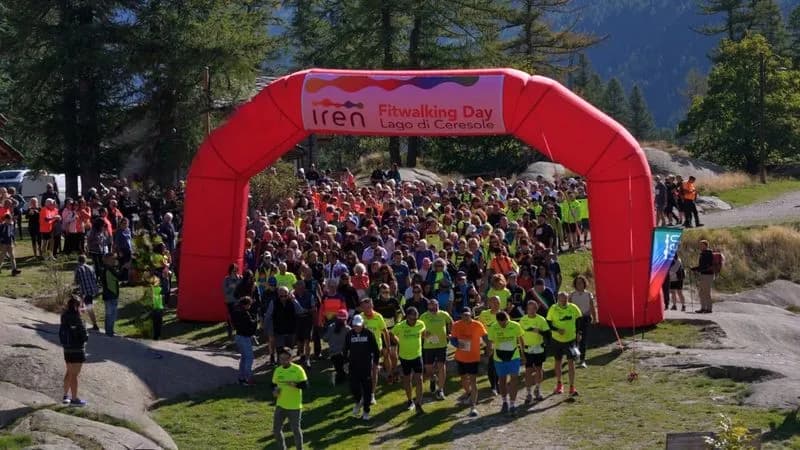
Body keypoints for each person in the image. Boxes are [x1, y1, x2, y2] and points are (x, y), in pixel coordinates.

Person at [450, 306, 487, 417]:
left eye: (468, 314)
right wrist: (458, 344)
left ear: (471, 314)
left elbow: (485, 336)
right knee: (463, 380)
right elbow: (453, 339)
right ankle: (469, 393)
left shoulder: (477, 325)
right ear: (461, 316)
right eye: (464, 315)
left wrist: (489, 347)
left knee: (473, 381)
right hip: (461, 357)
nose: (466, 317)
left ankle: (473, 407)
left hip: (473, 357)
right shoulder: (456, 325)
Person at [487, 310, 525, 415]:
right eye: (501, 323)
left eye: (505, 322)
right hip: (499, 358)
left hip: (513, 357)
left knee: (514, 379)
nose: (503, 324)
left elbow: (521, 339)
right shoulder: (493, 327)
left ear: (507, 319)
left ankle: (512, 404)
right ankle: (504, 401)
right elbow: (490, 341)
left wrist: (523, 354)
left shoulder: (515, 326)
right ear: (497, 321)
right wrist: (489, 351)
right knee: (502, 381)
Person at [344, 314, 381, 420]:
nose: (357, 327)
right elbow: (345, 349)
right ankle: (359, 400)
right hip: (353, 365)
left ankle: (366, 411)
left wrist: (376, 363)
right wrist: (345, 362)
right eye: (355, 326)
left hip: (366, 366)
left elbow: (376, 350)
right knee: (354, 386)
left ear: (363, 325)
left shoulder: (369, 334)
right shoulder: (349, 334)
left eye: (359, 325)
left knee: (367, 388)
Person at [546, 292, 583, 397]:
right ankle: (559, 384)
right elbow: (548, 324)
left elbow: (579, 320)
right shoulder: (553, 308)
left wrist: (579, 333)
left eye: (565, 300)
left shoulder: (573, 308)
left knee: (571, 362)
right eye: (561, 300)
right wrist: (557, 330)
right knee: (558, 361)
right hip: (557, 339)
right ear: (558, 299)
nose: (564, 302)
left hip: (570, 339)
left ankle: (572, 387)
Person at [392, 306, 427, 414]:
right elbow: (391, 333)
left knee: (419, 379)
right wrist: (398, 342)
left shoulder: (420, 324)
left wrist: (424, 338)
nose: (414, 321)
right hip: (404, 357)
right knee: (407, 380)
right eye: (412, 319)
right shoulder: (400, 326)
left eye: (416, 318)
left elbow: (424, 332)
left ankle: (419, 403)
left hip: (417, 356)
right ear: (406, 317)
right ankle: (409, 400)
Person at [271, 347, 308, 450]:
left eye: (285, 358)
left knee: (296, 430)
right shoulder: (278, 370)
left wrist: (295, 385)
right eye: (281, 358)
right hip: (280, 405)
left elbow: (305, 385)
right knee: (276, 430)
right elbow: (273, 385)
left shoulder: (298, 369)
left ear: (290, 358)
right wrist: (274, 392)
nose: (283, 361)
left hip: (294, 406)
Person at [419, 298, 453, 401]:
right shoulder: (424, 316)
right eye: (431, 305)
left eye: (435, 305)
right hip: (428, 346)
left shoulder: (443, 314)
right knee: (428, 369)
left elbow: (451, 322)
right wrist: (423, 335)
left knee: (441, 366)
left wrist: (450, 333)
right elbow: (419, 329)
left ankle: (440, 389)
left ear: (438, 306)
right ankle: (433, 378)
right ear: (428, 306)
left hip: (441, 345)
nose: (433, 307)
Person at [518, 300, 549, 404]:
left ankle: (537, 389)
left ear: (536, 309)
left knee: (539, 369)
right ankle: (528, 393)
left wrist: (539, 331)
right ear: (526, 309)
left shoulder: (541, 319)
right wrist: (522, 351)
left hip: (539, 348)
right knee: (528, 371)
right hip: (527, 349)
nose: (531, 311)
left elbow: (547, 334)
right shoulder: (522, 320)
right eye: (529, 308)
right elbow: (520, 337)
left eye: (533, 308)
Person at [59, 296, 88, 406]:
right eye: (81, 305)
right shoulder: (78, 318)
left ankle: (66, 396)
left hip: (67, 349)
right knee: (74, 375)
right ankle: (74, 400)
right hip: (77, 350)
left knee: (69, 372)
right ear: (77, 306)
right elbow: (84, 336)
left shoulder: (64, 316)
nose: (82, 307)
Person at [360, 297, 391, 398]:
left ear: (372, 306)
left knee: (373, 371)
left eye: (369, 307)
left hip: (376, 348)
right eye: (365, 308)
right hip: (363, 348)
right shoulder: (360, 317)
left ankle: (372, 393)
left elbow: (385, 332)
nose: (367, 310)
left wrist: (388, 346)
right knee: (365, 371)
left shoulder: (378, 317)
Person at [568, 276, 597, 368]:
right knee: (575, 338)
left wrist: (595, 318)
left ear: (584, 284)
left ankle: (582, 360)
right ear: (575, 284)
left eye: (581, 282)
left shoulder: (588, 294)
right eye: (577, 283)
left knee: (583, 339)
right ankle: (575, 355)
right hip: (575, 320)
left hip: (585, 318)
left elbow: (592, 307)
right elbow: (569, 309)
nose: (579, 284)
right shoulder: (572, 295)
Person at [231, 296, 259, 386]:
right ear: (246, 304)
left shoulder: (235, 311)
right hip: (244, 337)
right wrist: (255, 321)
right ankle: (248, 378)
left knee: (244, 358)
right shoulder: (244, 313)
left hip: (238, 336)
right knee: (249, 358)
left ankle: (241, 378)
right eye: (249, 304)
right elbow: (250, 325)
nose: (250, 306)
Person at [477, 295, 501, 396]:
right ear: (489, 303)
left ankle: (498, 383)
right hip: (488, 344)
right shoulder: (484, 314)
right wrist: (482, 342)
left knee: (499, 365)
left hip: (500, 343)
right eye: (493, 302)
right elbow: (478, 327)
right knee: (491, 365)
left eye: (497, 302)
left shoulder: (502, 314)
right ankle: (493, 386)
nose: (495, 304)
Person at [74, 254, 99, 331]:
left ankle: (95, 325)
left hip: (85, 291)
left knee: (88, 307)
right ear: (85, 260)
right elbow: (94, 279)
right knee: (86, 306)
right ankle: (86, 322)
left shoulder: (78, 269)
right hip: (92, 290)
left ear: (78, 261)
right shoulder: (90, 267)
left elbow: (77, 282)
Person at [324, 309, 350, 385]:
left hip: (333, 354)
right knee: (344, 372)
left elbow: (325, 339)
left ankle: (338, 377)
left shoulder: (331, 327)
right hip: (345, 355)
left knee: (340, 371)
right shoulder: (348, 329)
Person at [691, 240, 715, 313]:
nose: (700, 246)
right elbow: (702, 266)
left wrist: (696, 269)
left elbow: (705, 265)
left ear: (705, 245)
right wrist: (696, 269)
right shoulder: (703, 253)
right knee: (701, 292)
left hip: (708, 275)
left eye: (701, 245)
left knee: (706, 292)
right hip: (704, 274)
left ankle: (709, 309)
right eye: (700, 245)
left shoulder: (708, 253)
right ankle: (703, 308)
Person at [100, 254, 120, 337]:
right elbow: (119, 277)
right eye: (113, 259)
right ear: (108, 260)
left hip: (110, 294)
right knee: (111, 314)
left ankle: (109, 330)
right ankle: (109, 332)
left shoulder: (106, 268)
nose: (114, 260)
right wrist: (125, 268)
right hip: (110, 294)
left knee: (111, 314)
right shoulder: (109, 269)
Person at [223, 263, 242, 338]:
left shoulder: (240, 278)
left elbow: (242, 288)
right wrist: (231, 287)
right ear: (230, 271)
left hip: (238, 301)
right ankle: (230, 330)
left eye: (236, 271)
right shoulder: (226, 279)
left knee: (238, 317)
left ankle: (237, 331)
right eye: (233, 271)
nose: (234, 272)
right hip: (230, 301)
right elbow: (225, 291)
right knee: (231, 317)